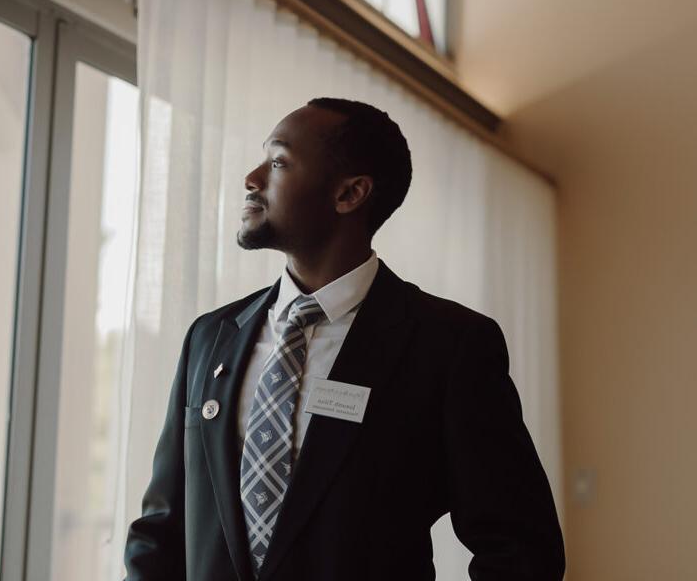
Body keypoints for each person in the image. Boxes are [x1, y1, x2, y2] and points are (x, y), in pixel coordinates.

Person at [123, 98, 565, 580]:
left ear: (350, 194)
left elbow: (521, 550)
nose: (252, 178)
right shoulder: (209, 338)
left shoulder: (450, 346)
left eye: (277, 161)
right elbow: (161, 532)